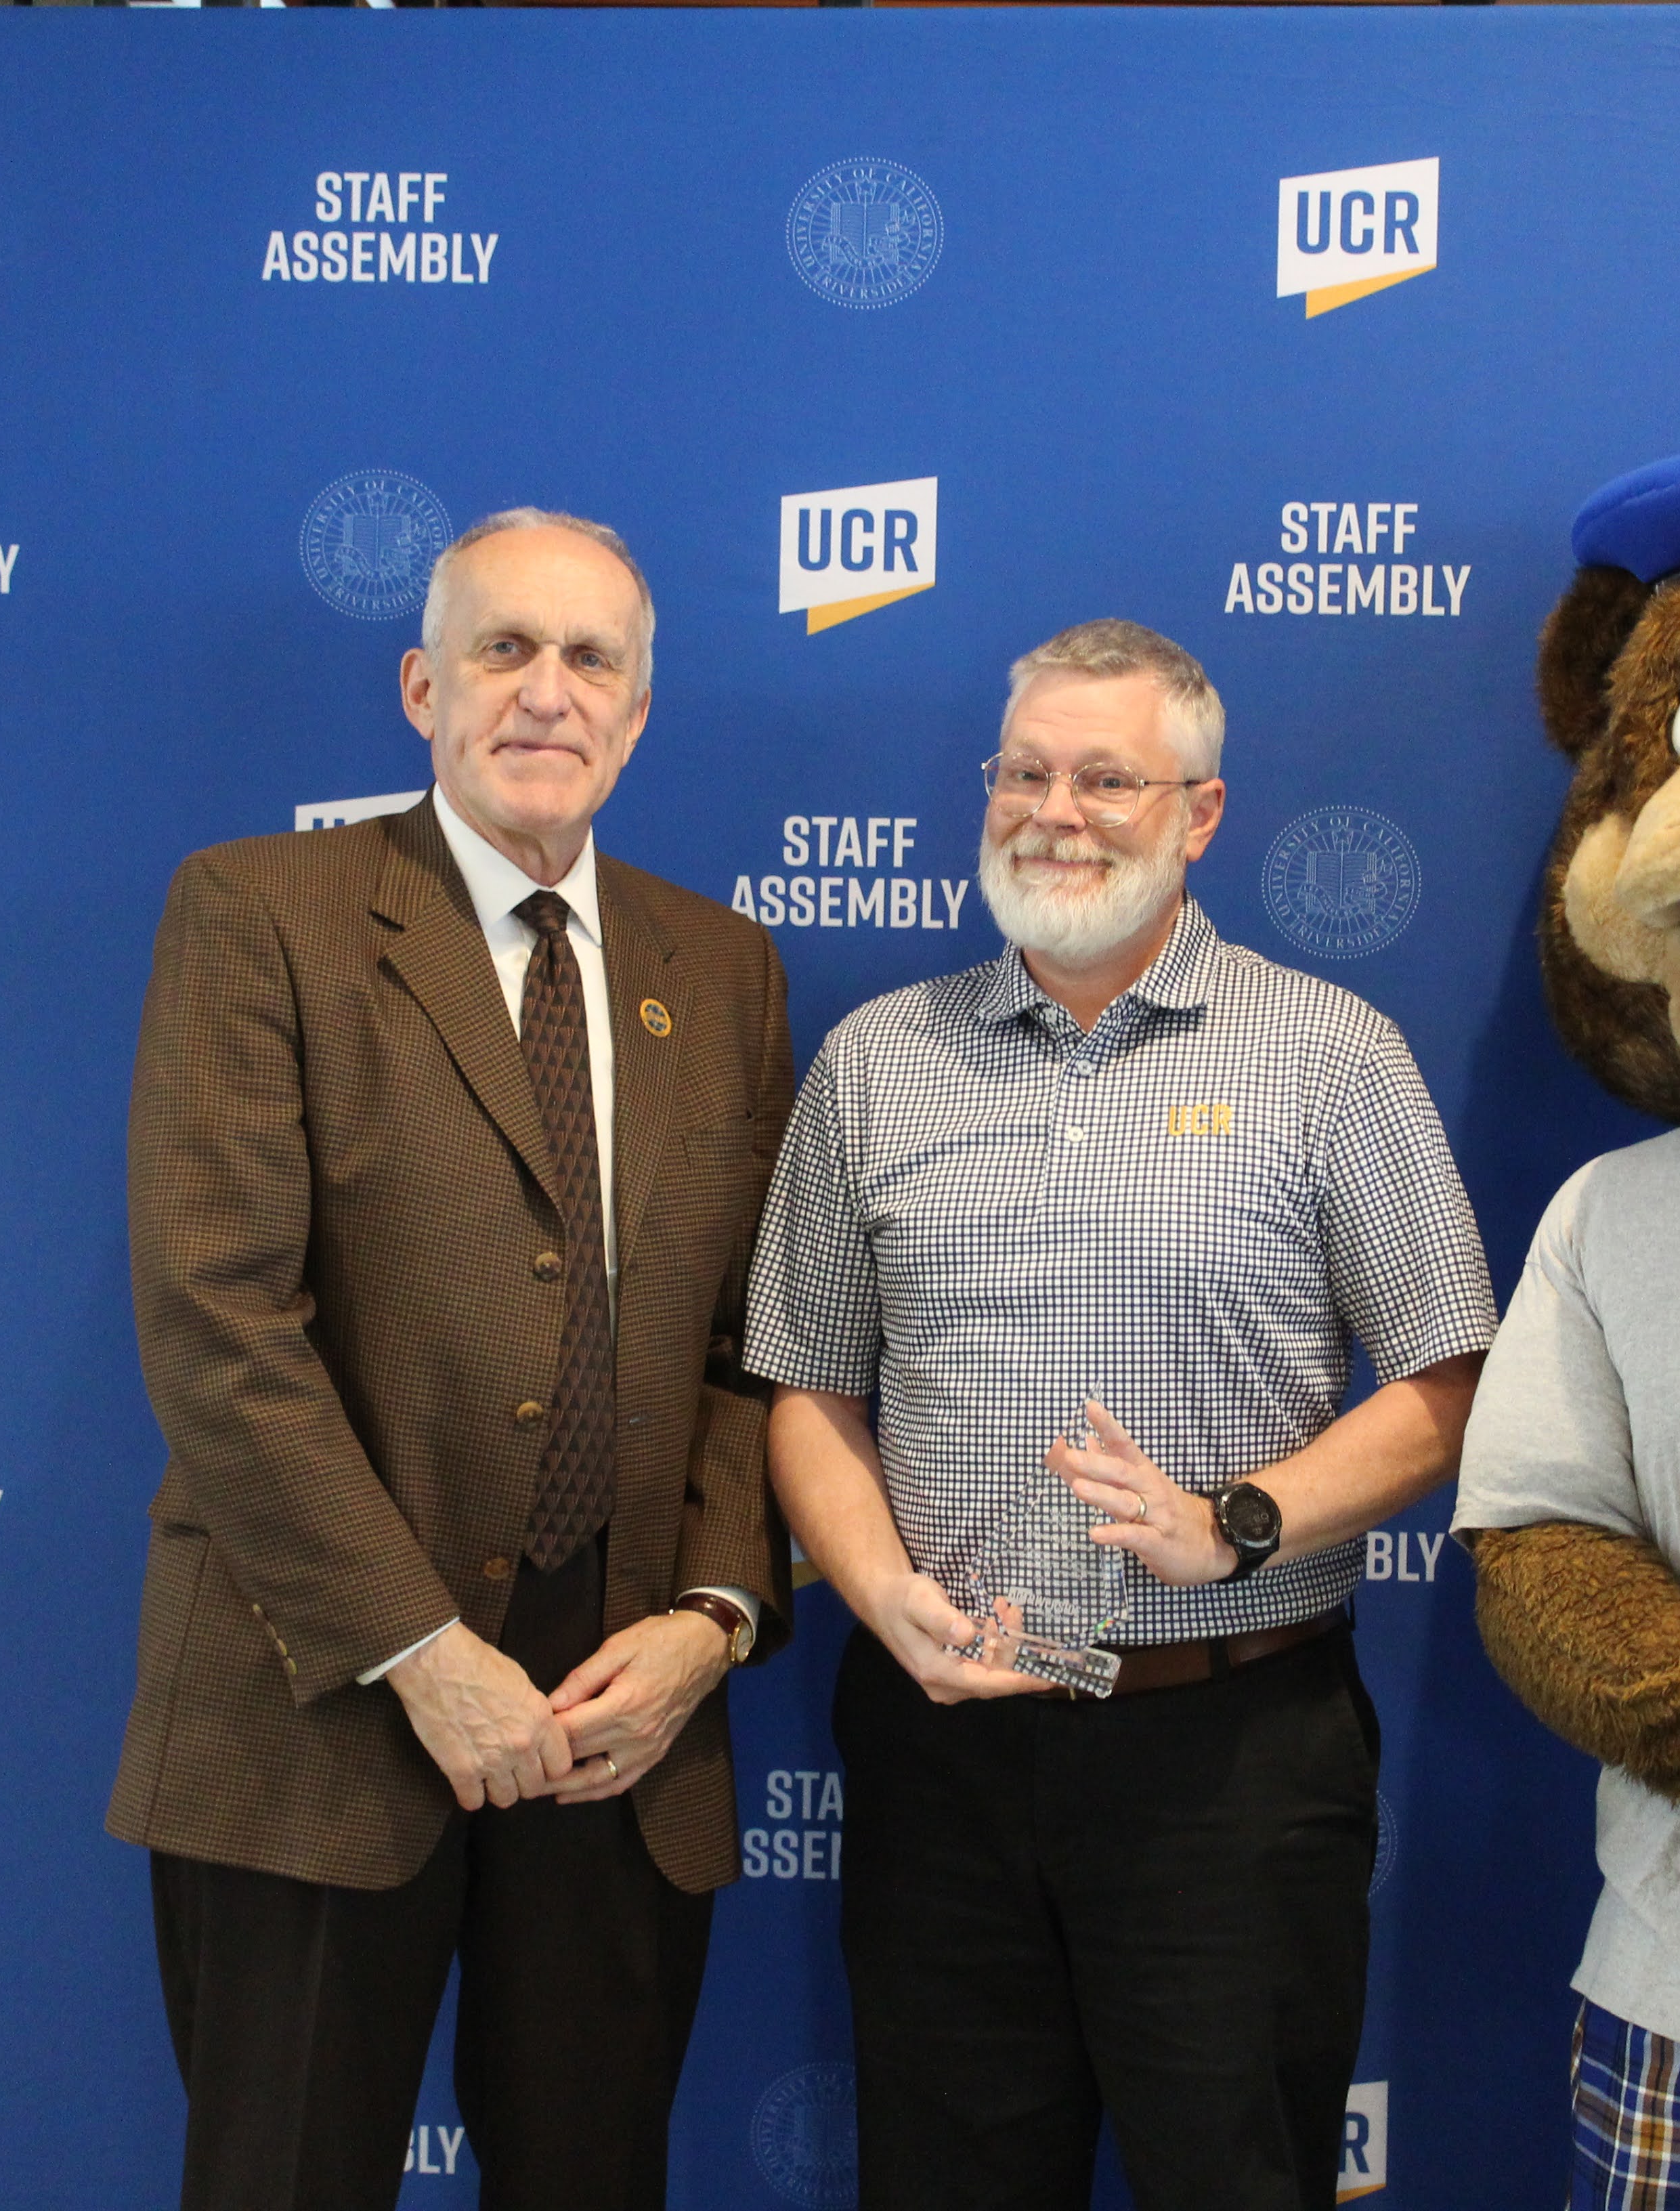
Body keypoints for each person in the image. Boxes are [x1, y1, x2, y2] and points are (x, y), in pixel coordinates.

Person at [744, 618, 1498, 2211]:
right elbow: (805, 1385)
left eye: (1106, 779)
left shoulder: (1330, 1056)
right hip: (942, 1754)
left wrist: (1238, 1525)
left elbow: (1450, 1379)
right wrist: (879, 1595)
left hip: (1230, 1756)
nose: (1054, 813)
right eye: (1024, 773)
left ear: (1200, 813)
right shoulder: (876, 1063)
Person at [108, 509, 790, 2211]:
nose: (548, 692)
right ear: (423, 687)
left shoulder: (723, 968)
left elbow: (748, 1347)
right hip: (323, 1685)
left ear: (638, 712)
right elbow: (215, 1316)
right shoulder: (260, 909)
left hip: (619, 1715)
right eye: (505, 649)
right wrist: (417, 1649)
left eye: (591, 660)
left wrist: (710, 1621)